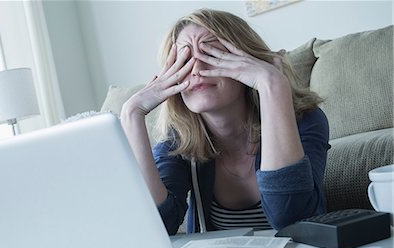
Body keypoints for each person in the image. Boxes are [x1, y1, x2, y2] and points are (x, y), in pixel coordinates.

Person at [120, 9, 330, 235]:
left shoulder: (305, 121)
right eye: (185, 61)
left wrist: (272, 85)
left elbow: (291, 218)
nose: (197, 70)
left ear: (247, 62)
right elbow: (159, 227)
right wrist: (132, 114)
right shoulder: (177, 144)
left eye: (211, 54)